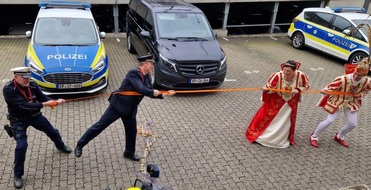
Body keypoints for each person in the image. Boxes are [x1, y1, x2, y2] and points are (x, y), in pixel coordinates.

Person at [74, 54, 175, 160]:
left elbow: (149, 92)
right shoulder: (133, 73)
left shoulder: (147, 77)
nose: (153, 67)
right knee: (100, 126)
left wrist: (164, 94)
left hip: (130, 109)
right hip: (118, 106)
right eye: (151, 64)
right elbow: (141, 89)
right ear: (145, 64)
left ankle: (129, 153)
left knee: (132, 131)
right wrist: (153, 92)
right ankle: (80, 144)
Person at [3, 67, 71, 189]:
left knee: (52, 132)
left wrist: (54, 101)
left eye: (28, 77)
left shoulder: (33, 84)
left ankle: (60, 146)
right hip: (18, 120)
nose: (27, 80)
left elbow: (43, 98)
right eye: (24, 78)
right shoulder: (9, 89)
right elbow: (23, 106)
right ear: (16, 77)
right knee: (21, 146)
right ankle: (17, 175)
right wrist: (46, 104)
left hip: (35, 116)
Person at [245, 60, 310, 148]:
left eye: (288, 71)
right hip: (276, 101)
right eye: (285, 70)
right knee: (270, 117)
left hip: (290, 103)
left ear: (294, 71)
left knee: (286, 120)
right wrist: (266, 90)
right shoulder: (277, 75)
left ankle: (281, 138)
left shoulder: (301, 75)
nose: (286, 72)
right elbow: (270, 88)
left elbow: (305, 86)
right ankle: (265, 137)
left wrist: (298, 90)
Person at [310, 57, 371, 148]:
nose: (355, 76)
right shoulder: (342, 79)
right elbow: (330, 88)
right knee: (330, 120)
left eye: (359, 75)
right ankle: (314, 136)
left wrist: (360, 96)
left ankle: (339, 136)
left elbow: (367, 90)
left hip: (351, 102)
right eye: (355, 73)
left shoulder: (367, 81)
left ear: (364, 75)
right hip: (337, 101)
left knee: (352, 124)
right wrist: (325, 90)